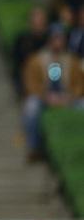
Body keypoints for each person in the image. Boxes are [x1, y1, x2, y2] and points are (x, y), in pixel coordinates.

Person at [22, 24, 84, 161]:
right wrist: (46, 97)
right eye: (55, 38)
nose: (58, 42)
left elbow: (80, 84)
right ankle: (34, 148)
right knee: (31, 106)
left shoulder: (72, 60)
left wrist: (70, 97)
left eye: (60, 38)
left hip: (67, 97)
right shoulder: (36, 60)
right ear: (49, 39)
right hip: (44, 97)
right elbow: (31, 84)